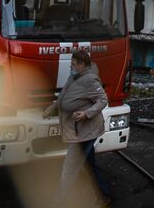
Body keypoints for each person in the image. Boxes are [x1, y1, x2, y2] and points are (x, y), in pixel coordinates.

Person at [43, 48, 111, 206]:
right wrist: (52, 107)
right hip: (79, 129)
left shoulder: (90, 80)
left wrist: (86, 114)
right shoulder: (74, 77)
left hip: (84, 131)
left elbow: (102, 100)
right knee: (89, 164)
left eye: (73, 64)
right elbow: (63, 97)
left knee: (70, 166)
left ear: (82, 64)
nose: (71, 67)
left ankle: (59, 201)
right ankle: (103, 195)